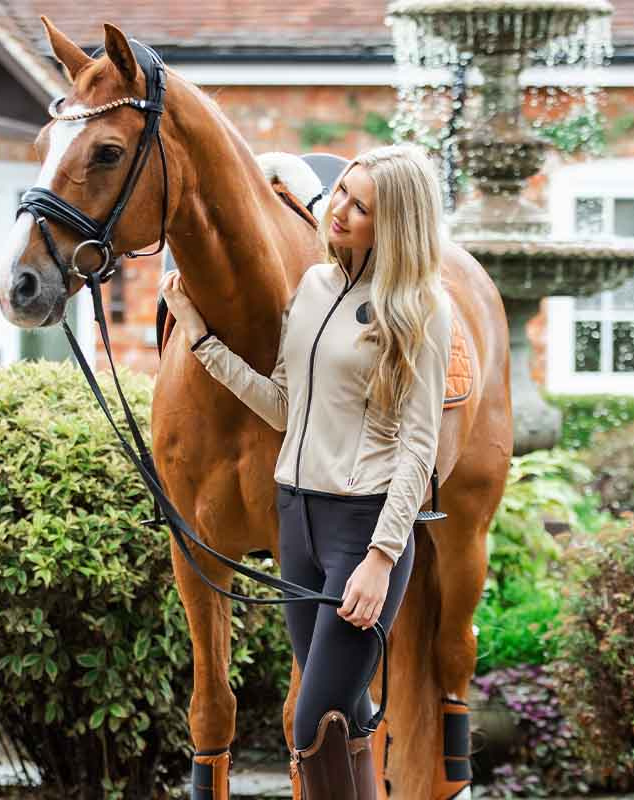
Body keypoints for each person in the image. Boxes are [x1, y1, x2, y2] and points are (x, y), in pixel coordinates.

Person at [160, 143, 453, 799]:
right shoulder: (316, 287)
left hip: (362, 531)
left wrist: (381, 557)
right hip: (297, 520)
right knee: (343, 715)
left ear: (398, 225)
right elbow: (285, 405)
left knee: (312, 724)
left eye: (361, 207)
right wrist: (202, 340)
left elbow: (419, 445)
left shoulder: (420, 309)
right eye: (342, 193)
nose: (339, 211)